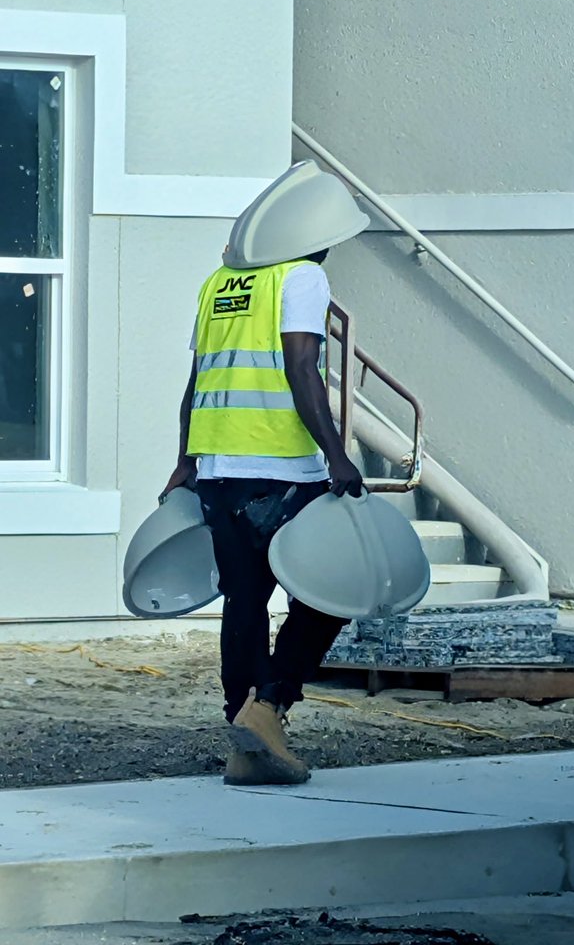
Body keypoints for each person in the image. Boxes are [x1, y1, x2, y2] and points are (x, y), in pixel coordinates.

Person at [160, 161, 369, 785]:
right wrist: (336, 455)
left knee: (245, 602)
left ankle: (245, 738)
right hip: (283, 471)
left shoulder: (218, 284)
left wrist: (185, 462)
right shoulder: (302, 277)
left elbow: (196, 383)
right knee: (332, 590)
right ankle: (270, 705)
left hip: (219, 472)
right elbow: (302, 368)